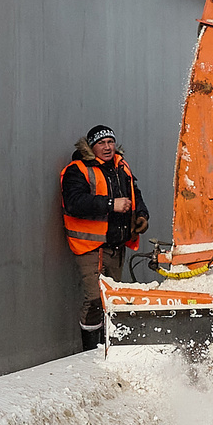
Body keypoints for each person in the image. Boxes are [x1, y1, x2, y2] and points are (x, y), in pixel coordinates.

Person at [60, 125, 147, 348]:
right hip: (91, 247)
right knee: (95, 300)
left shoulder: (121, 167)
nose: (107, 147)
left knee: (112, 300)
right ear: (91, 147)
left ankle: (107, 348)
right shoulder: (77, 170)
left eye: (110, 142)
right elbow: (74, 203)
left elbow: (134, 193)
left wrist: (142, 215)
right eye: (101, 143)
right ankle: (89, 351)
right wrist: (111, 204)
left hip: (116, 246)